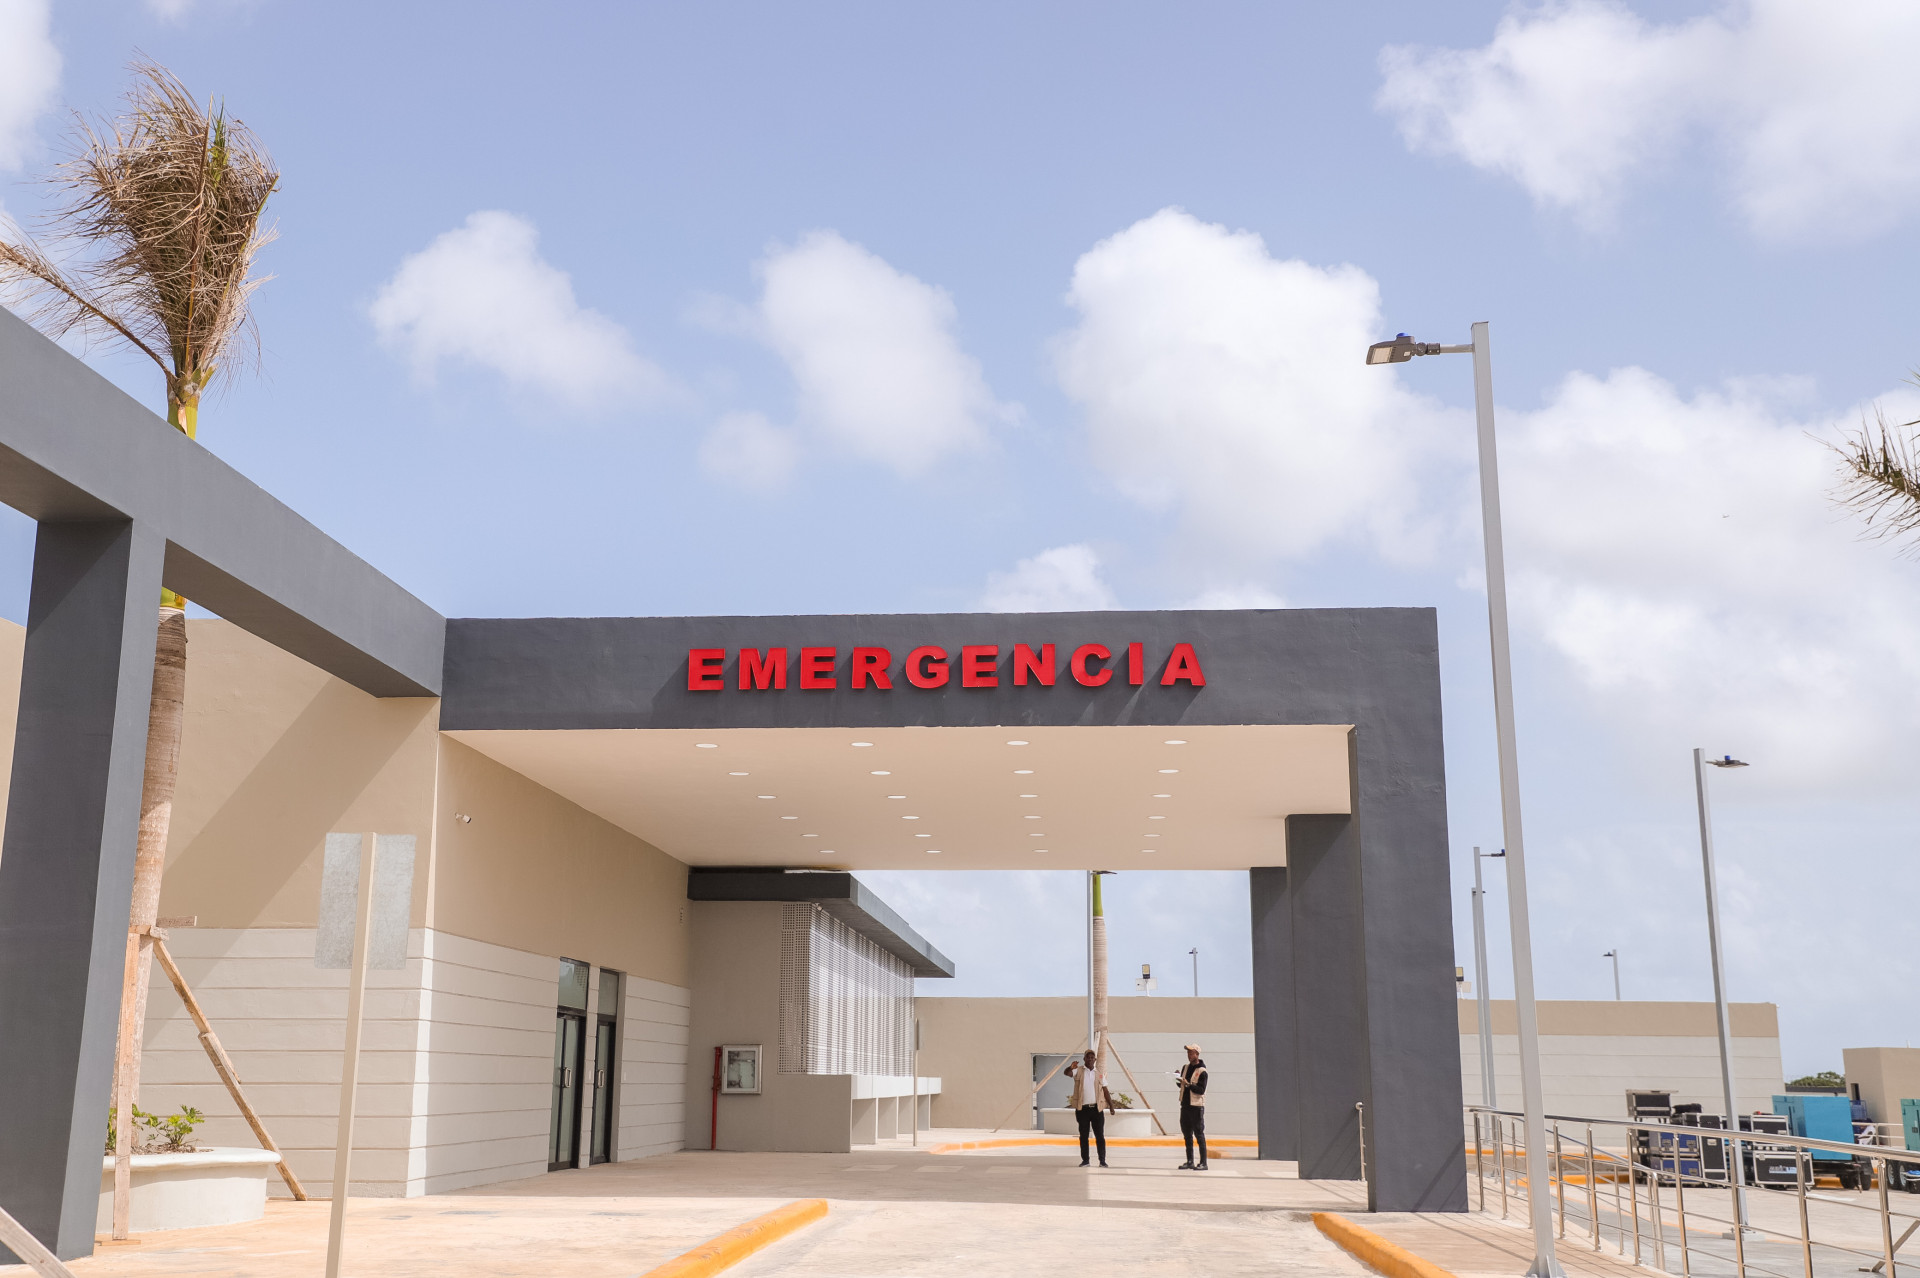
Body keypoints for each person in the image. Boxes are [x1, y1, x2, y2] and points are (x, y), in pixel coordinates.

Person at [1062, 1048, 1114, 1167]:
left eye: (1092, 1057)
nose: (1090, 1059)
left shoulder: (1099, 1073)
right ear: (1084, 1059)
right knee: (1084, 1136)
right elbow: (1066, 1073)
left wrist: (1111, 1105)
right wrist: (1070, 1067)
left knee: (1100, 1136)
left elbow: (1105, 1090)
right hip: (1083, 1110)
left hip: (1097, 1110)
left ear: (1095, 1059)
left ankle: (1102, 1161)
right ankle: (1085, 1161)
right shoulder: (1078, 1071)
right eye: (1088, 1057)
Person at [1175, 1042, 1208, 1170]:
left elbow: (1201, 1090)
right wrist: (1178, 1079)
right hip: (1185, 1105)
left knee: (1199, 1134)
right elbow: (1182, 1085)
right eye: (1188, 1053)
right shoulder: (1185, 1067)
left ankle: (1203, 1163)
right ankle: (1190, 1161)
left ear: (1197, 1054)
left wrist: (1189, 1084)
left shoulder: (1202, 1071)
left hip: (1196, 1106)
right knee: (1187, 1135)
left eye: (1191, 1053)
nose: (1189, 1055)